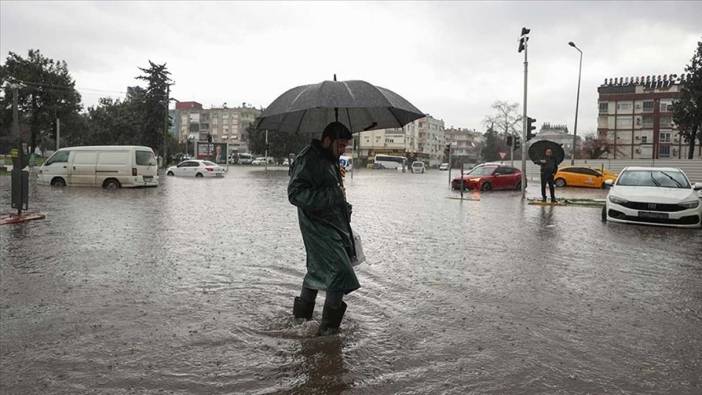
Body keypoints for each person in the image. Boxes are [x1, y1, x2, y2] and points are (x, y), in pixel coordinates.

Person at [288, 121, 358, 336]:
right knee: (340, 272)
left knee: (317, 270)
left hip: (332, 223)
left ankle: (301, 321)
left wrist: (342, 206)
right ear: (327, 140)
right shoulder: (308, 159)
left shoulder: (330, 159)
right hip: (317, 226)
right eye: (340, 145)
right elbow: (295, 194)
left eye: (345, 146)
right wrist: (333, 196)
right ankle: (328, 333)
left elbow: (330, 190)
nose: (342, 150)